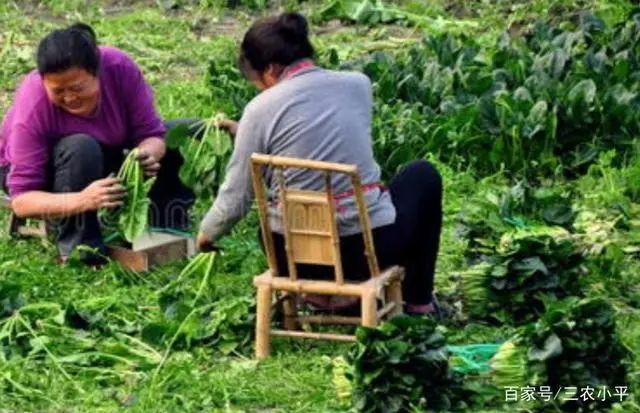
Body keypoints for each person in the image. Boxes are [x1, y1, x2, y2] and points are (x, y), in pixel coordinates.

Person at [196, 12, 443, 316]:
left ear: (271, 69)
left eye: (258, 81)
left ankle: (321, 296)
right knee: (422, 175)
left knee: (277, 212)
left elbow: (236, 198)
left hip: (295, 255)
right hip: (368, 250)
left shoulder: (258, 110)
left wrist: (206, 235)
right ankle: (419, 302)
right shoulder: (358, 85)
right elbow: (319, 129)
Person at [0, 23, 196, 265]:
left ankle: (164, 227)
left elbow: (152, 134)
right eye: (58, 91)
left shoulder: (119, 68)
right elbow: (22, 201)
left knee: (177, 134)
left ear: (97, 72)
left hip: (100, 154)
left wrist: (146, 155)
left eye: (77, 88)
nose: (69, 97)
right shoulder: (33, 106)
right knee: (81, 147)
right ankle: (80, 250)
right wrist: (83, 199)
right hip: (40, 175)